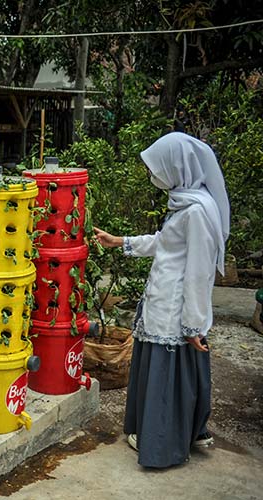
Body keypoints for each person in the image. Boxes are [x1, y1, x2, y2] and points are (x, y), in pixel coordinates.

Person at [94, 131, 230, 468]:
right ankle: (189, 431)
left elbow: (199, 272)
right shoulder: (186, 201)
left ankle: (163, 443)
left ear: (176, 166)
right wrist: (120, 242)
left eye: (156, 168)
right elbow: (165, 242)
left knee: (167, 378)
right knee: (181, 375)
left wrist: (194, 324)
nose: (152, 175)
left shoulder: (196, 211)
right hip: (166, 303)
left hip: (175, 310)